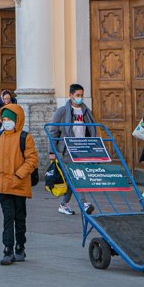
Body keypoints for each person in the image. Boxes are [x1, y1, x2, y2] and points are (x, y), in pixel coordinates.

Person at [0, 104, 39, 265]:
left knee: (20, 217)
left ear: (17, 120)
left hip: (20, 185)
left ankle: (20, 246)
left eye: (10, 119)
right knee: (8, 217)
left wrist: (19, 174)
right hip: (3, 185)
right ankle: (7, 249)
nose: (6, 122)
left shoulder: (25, 137)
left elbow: (32, 159)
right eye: (4, 119)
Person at [48, 83, 95, 215]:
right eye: (77, 95)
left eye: (82, 95)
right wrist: (52, 151)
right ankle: (84, 203)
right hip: (67, 151)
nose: (80, 98)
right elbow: (53, 132)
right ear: (70, 95)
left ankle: (64, 204)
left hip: (82, 149)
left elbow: (91, 129)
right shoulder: (62, 112)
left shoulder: (86, 112)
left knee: (73, 178)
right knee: (77, 177)